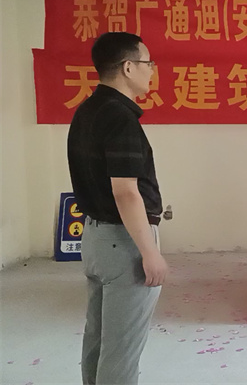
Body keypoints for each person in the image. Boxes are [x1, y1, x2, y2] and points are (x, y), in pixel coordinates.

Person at [67, 32, 168, 385]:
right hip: (124, 242)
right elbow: (125, 192)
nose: (151, 70)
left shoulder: (87, 110)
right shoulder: (120, 118)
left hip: (96, 239)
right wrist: (149, 252)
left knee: (98, 340)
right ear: (128, 67)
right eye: (147, 63)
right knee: (121, 350)